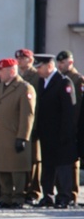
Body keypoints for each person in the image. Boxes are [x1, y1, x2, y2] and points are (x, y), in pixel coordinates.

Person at [0, 58, 35, 209]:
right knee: (2, 168)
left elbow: (27, 115)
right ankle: (5, 197)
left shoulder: (24, 88)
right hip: (0, 137)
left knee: (17, 169)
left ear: (11, 71)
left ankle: (18, 197)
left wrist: (23, 137)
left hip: (14, 135)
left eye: (1, 71)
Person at [33, 54, 78, 208]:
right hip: (47, 134)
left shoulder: (63, 82)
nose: (37, 70)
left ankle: (64, 196)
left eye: (40, 67)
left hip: (61, 133)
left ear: (49, 66)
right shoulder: (42, 82)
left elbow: (68, 111)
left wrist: (66, 133)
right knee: (48, 166)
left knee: (63, 166)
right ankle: (48, 195)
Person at [56, 50, 84, 205]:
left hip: (75, 126)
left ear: (70, 62)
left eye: (63, 62)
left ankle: (72, 194)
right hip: (67, 126)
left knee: (73, 162)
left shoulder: (77, 80)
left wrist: (74, 126)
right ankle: (66, 192)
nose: (60, 65)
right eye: (59, 62)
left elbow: (77, 106)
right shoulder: (61, 79)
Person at [15, 48, 42, 205]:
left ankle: (34, 191)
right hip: (20, 123)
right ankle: (24, 189)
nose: (20, 61)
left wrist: (35, 124)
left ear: (30, 59)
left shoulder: (36, 76)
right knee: (24, 158)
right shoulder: (19, 76)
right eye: (18, 58)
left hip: (34, 123)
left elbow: (36, 104)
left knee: (35, 159)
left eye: (23, 58)